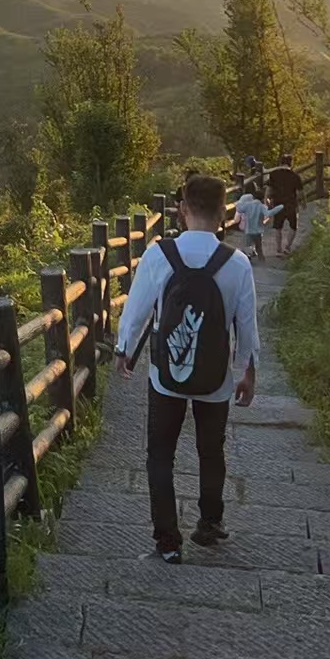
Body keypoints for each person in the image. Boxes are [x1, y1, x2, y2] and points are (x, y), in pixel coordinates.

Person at [115, 173, 257, 562]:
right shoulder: (238, 263)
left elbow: (137, 309)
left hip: (166, 377)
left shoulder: (160, 255)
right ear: (221, 212)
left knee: (160, 453)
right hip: (215, 378)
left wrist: (123, 349)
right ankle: (209, 523)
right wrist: (246, 370)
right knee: (211, 451)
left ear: (183, 209)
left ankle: (167, 541)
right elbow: (246, 324)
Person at [267, 153, 304, 259]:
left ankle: (278, 249)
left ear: (280, 162)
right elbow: (300, 192)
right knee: (293, 226)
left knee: (278, 227)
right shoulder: (295, 176)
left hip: (278, 203)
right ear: (291, 163)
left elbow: (269, 188)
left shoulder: (274, 174)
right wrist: (303, 203)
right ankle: (287, 247)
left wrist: (267, 199)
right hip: (291, 204)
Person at [234, 187, 284, 260]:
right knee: (259, 247)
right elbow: (268, 213)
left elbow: (239, 209)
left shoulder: (248, 205)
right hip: (258, 231)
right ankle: (262, 262)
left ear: (253, 197)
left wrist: (238, 202)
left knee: (246, 244)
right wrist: (279, 207)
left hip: (248, 229)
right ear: (262, 199)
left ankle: (247, 256)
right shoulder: (262, 206)